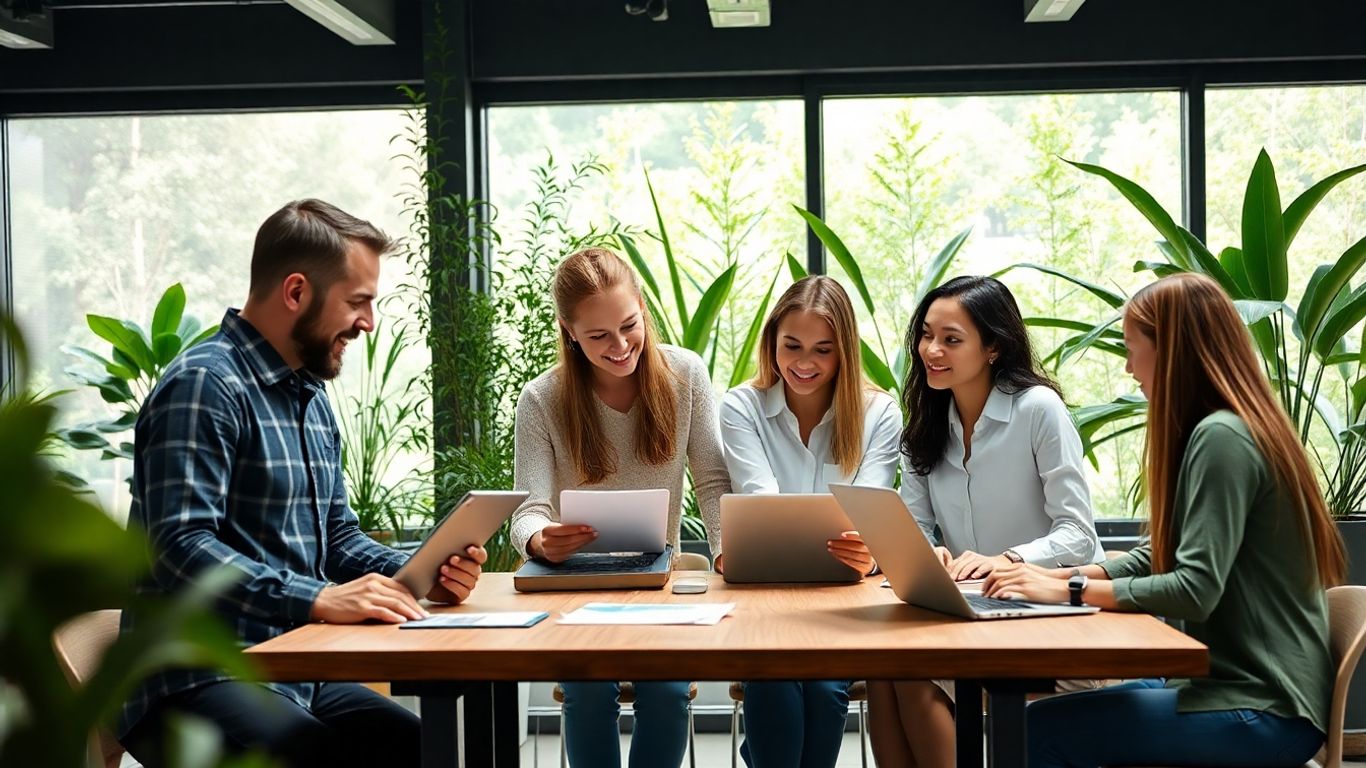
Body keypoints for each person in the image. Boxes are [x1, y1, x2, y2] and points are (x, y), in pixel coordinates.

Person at [116, 199, 486, 768]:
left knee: (425, 749)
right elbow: (178, 548)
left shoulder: (308, 396)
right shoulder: (203, 386)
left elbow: (335, 536)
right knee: (314, 754)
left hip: (290, 667)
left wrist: (415, 574)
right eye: (357, 302)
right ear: (296, 292)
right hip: (190, 678)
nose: (368, 322)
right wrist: (314, 597)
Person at [985, 272, 1343, 767]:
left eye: (1134, 348)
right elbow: (1160, 556)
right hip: (1232, 688)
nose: (1130, 367)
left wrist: (1068, 592)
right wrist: (1055, 576)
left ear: (1173, 350)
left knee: (1037, 729)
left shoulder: (1223, 439)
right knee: (1054, 715)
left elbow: (1194, 588)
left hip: (1264, 707)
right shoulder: (1225, 428)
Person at [508, 246, 729, 768]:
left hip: (659, 580)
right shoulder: (541, 399)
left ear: (643, 310)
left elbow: (714, 481)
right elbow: (529, 509)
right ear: (568, 330)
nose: (621, 345)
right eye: (598, 336)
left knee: (668, 693)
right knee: (587, 694)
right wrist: (540, 539)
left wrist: (724, 551)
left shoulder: (685, 375)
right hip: (575, 584)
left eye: (629, 325)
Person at [869, 275, 1103, 768]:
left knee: (909, 669)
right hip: (973, 618)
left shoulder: (1038, 410)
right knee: (884, 668)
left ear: (993, 346)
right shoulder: (929, 422)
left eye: (951, 339)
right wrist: (925, 553)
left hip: (1051, 614)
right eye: (926, 334)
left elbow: (1079, 536)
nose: (931, 349)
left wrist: (1008, 560)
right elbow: (914, 525)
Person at [719, 275, 901, 768]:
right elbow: (762, 501)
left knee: (824, 689)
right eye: (792, 346)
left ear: (844, 352)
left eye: (823, 350)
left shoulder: (878, 412)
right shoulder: (743, 407)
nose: (804, 363)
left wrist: (869, 547)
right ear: (771, 342)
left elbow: (872, 504)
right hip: (765, 598)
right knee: (774, 680)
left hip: (842, 597)